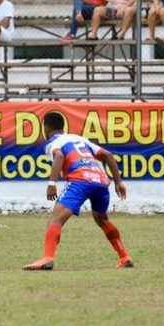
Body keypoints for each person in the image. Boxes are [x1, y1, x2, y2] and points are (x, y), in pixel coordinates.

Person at [24, 111, 133, 271]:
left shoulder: (53, 142)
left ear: (46, 128)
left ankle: (47, 258)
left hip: (80, 179)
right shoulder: (80, 139)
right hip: (101, 180)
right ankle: (124, 257)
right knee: (102, 220)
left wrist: (52, 183)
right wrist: (118, 183)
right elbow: (108, 155)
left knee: (55, 220)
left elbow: (59, 156)